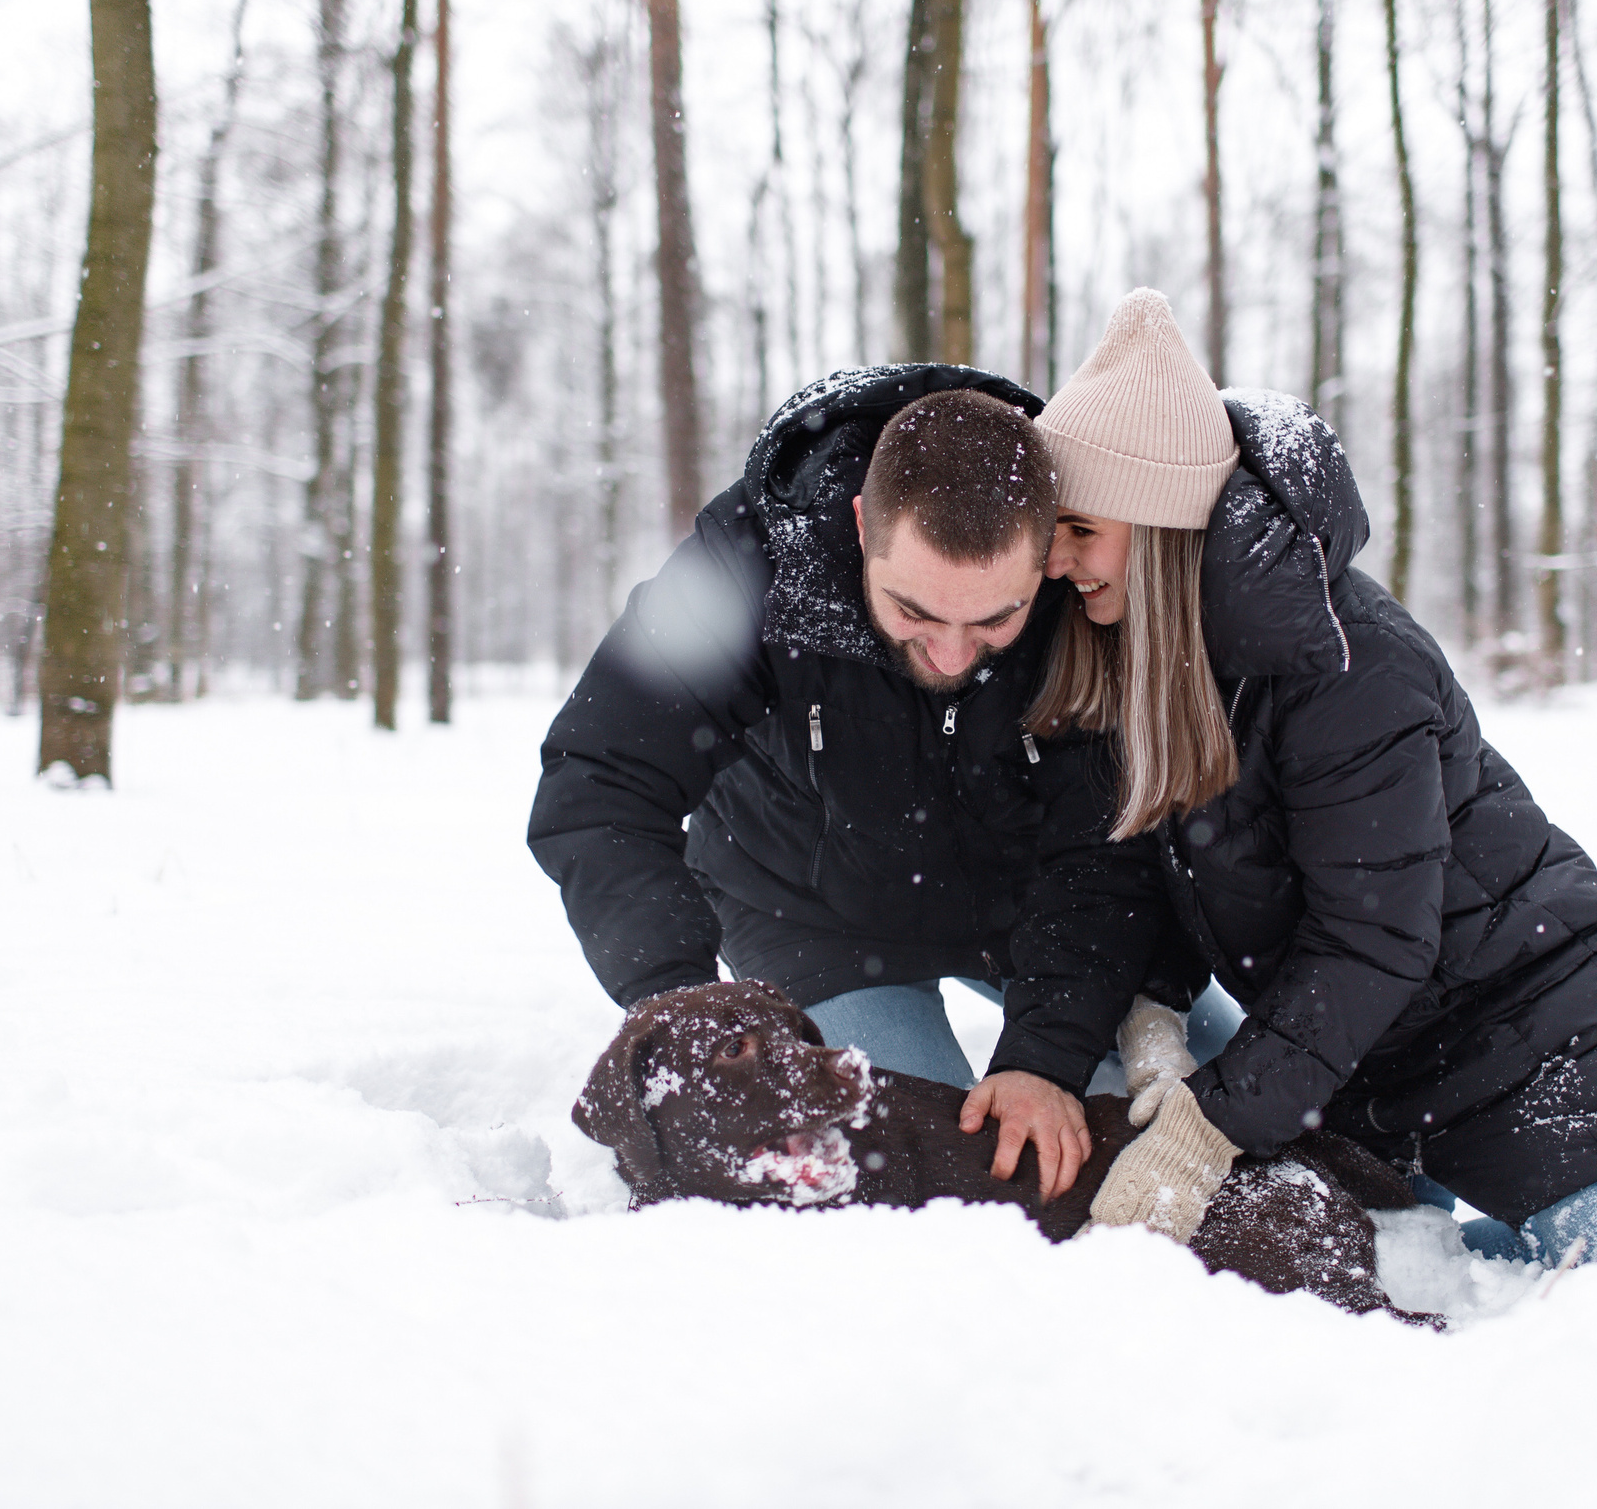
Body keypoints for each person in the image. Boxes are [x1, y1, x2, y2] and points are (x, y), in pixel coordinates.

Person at [979, 290, 1597, 1264]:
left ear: (1158, 522)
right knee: (1408, 1274)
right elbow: (1142, 867)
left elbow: (1371, 939)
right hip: (1373, 1070)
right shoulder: (1139, 651)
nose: (1057, 561)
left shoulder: (1350, 663)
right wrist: (1153, 1017)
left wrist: (1206, 1129)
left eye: (1080, 528)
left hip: (1542, 1040)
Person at [529, 364, 1238, 1197]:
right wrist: (680, 1000)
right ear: (864, 524)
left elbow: (1104, 847)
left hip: (1029, 910)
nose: (951, 652)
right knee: (927, 1178)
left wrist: (1044, 1057)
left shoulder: (1085, 592)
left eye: (995, 618)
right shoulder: (748, 564)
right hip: (813, 915)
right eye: (915, 611)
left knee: (1222, 1100)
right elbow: (602, 781)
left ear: (1048, 546)